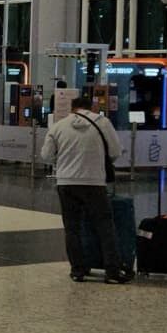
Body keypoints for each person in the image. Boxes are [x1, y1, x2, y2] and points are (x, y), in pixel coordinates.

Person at [41, 96, 130, 284]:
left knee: (72, 228)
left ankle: (78, 270)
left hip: (66, 183)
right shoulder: (102, 123)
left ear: (72, 108)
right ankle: (112, 271)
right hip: (94, 182)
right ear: (92, 107)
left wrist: (62, 162)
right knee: (105, 226)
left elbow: (46, 155)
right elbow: (115, 151)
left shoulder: (58, 126)